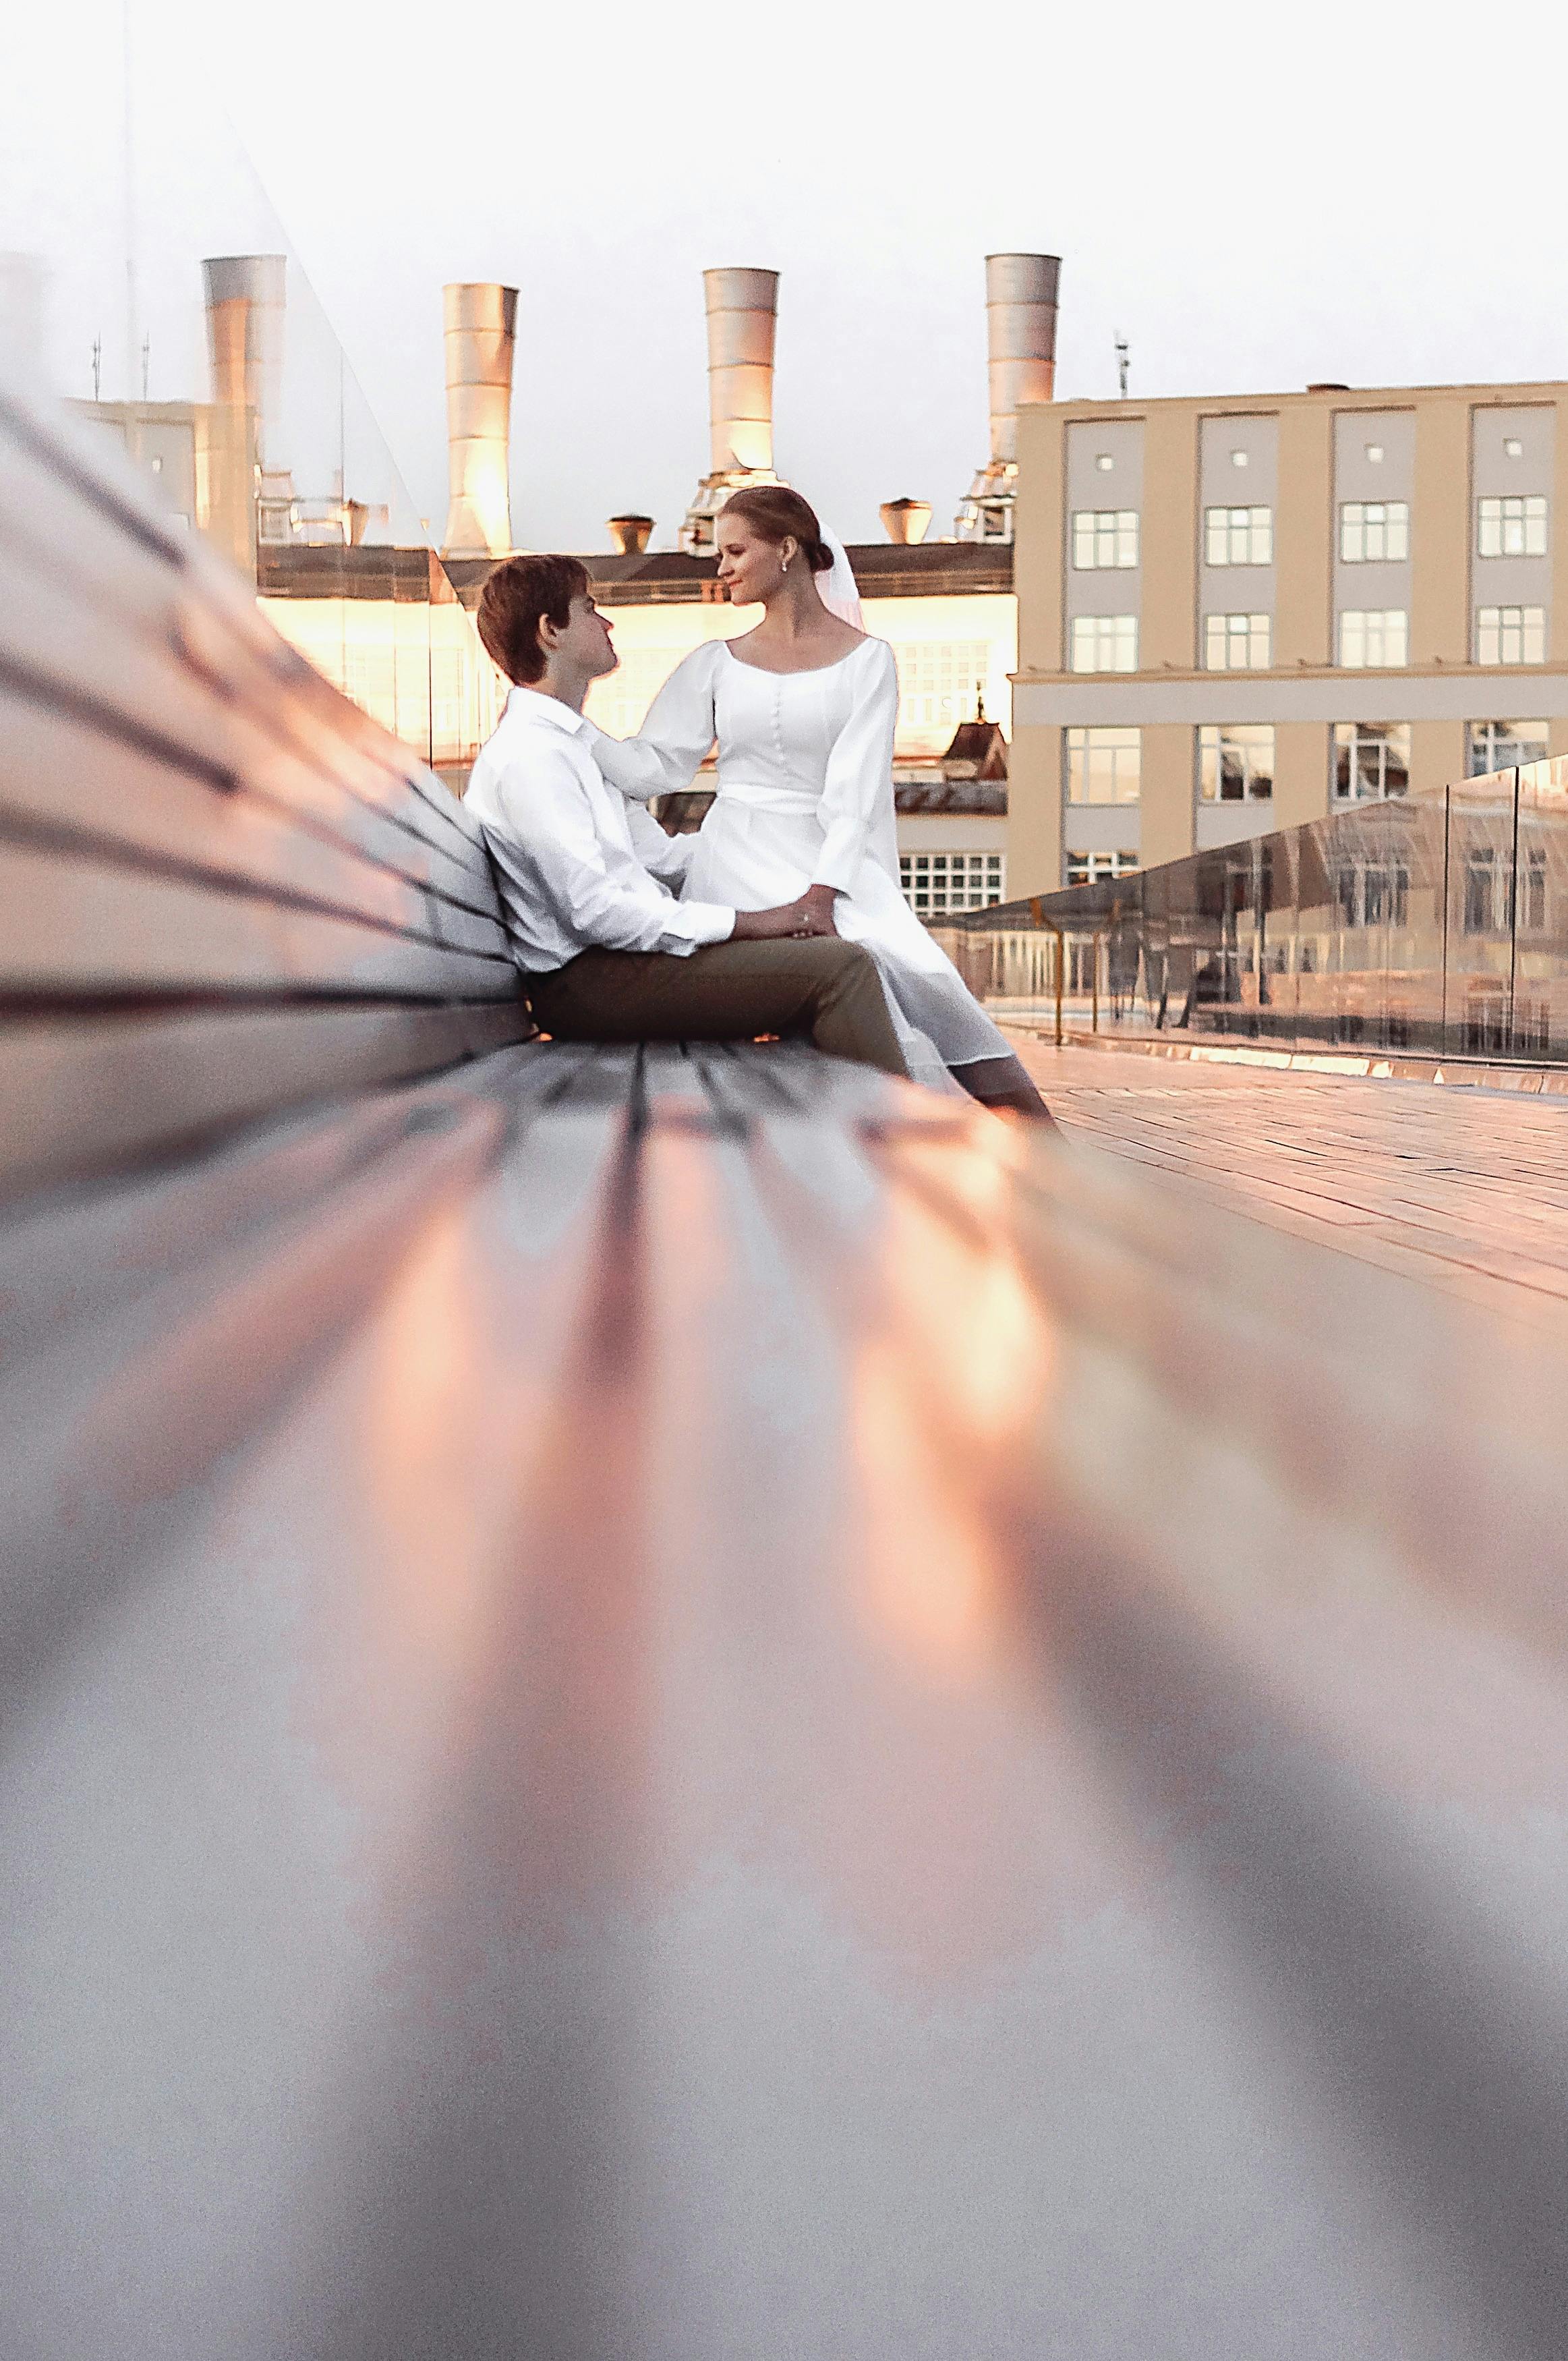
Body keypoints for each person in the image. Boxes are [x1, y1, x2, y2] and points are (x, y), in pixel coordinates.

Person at [587, 486, 1053, 1121]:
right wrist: (567, 728)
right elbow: (656, 764)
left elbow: (855, 793)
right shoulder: (712, 664)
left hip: (837, 866)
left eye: (734, 551)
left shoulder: (867, 662)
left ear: (786, 550)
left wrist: (821, 894)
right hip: (734, 863)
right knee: (784, 1015)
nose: (720, 567)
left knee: (933, 990)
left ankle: (1052, 1165)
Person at [464, 552, 912, 1081]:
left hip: (616, 969)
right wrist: (753, 923)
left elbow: (665, 860)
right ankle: (900, 1149)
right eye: (588, 609)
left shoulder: (572, 747)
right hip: (588, 985)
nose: (607, 622)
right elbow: (592, 912)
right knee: (839, 971)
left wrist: (794, 853)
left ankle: (838, 1144)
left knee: (826, 948)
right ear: (550, 631)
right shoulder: (533, 757)